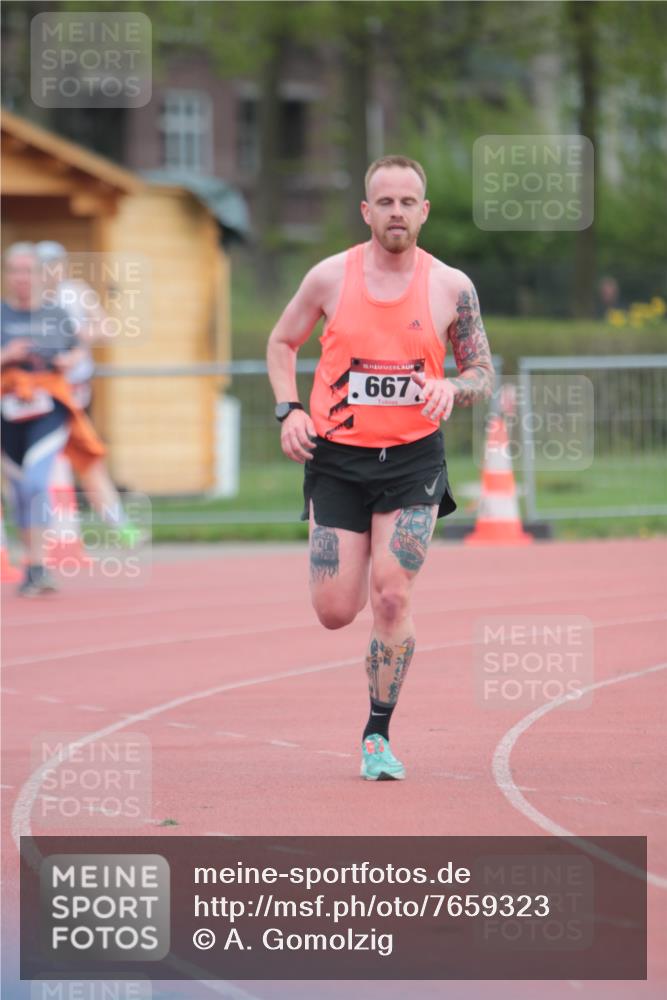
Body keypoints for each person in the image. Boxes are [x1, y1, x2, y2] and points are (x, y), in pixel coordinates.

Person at [267, 155, 494, 780]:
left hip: (414, 461)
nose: (397, 212)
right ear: (367, 211)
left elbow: (482, 370)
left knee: (391, 596)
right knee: (336, 610)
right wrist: (288, 410)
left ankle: (376, 735)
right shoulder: (328, 279)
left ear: (424, 211)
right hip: (338, 461)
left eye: (408, 202)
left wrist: (456, 387)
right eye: (385, 202)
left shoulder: (452, 286)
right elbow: (281, 342)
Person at [0, 243, 103, 595]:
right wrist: (6, 356)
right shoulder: (1, 314)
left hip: (49, 412)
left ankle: (39, 562)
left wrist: (69, 361)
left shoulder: (55, 313)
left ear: (40, 276)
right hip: (8, 413)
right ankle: (33, 566)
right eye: (15, 271)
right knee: (18, 492)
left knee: (35, 483)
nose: (22, 279)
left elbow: (76, 348)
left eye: (28, 272)